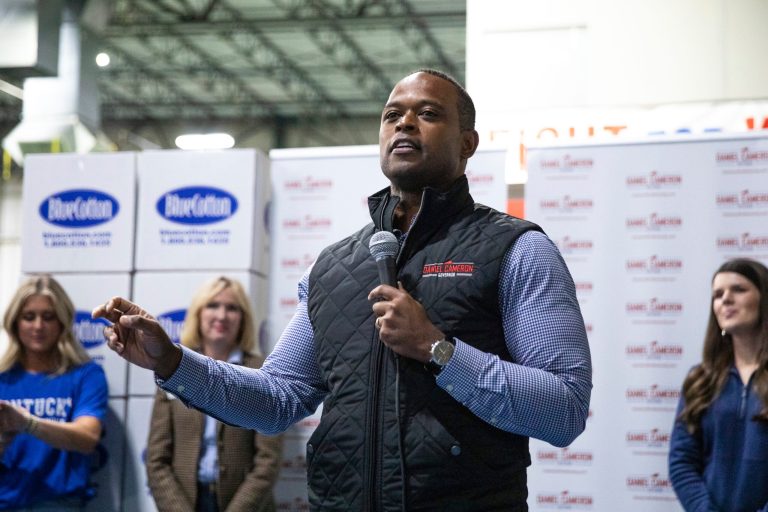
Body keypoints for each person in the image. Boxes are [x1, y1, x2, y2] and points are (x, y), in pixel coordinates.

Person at [94, 68, 592, 511]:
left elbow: (564, 410)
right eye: (392, 114)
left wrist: (440, 351)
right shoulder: (334, 266)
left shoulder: (516, 249)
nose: (404, 123)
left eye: (428, 113)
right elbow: (276, 398)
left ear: (467, 143)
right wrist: (173, 362)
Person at [146, 276, 282, 512]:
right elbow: (157, 459)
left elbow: (268, 462)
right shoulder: (174, 369)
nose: (221, 315)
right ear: (198, 314)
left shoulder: (262, 373)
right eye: (212, 305)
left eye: (232, 308)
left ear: (243, 319)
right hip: (186, 502)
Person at [0, 275, 108, 511]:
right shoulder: (3, 378)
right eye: (29, 317)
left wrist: (27, 423)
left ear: (62, 322)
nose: (38, 326)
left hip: (58, 501)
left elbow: (87, 438)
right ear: (15, 322)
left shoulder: (85, 375)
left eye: (48, 317)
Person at [669, 258, 768, 512]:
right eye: (718, 294)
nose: (725, 299)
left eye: (738, 289)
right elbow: (682, 462)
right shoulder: (700, 379)